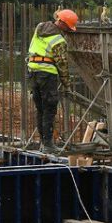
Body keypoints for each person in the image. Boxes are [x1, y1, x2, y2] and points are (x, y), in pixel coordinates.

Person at [26, 9, 78, 149]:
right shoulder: (59, 41)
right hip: (47, 75)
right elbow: (62, 65)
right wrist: (66, 84)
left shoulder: (40, 27)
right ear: (62, 24)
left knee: (41, 108)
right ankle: (49, 145)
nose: (69, 30)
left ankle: (44, 142)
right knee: (49, 109)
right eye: (68, 27)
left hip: (32, 71)